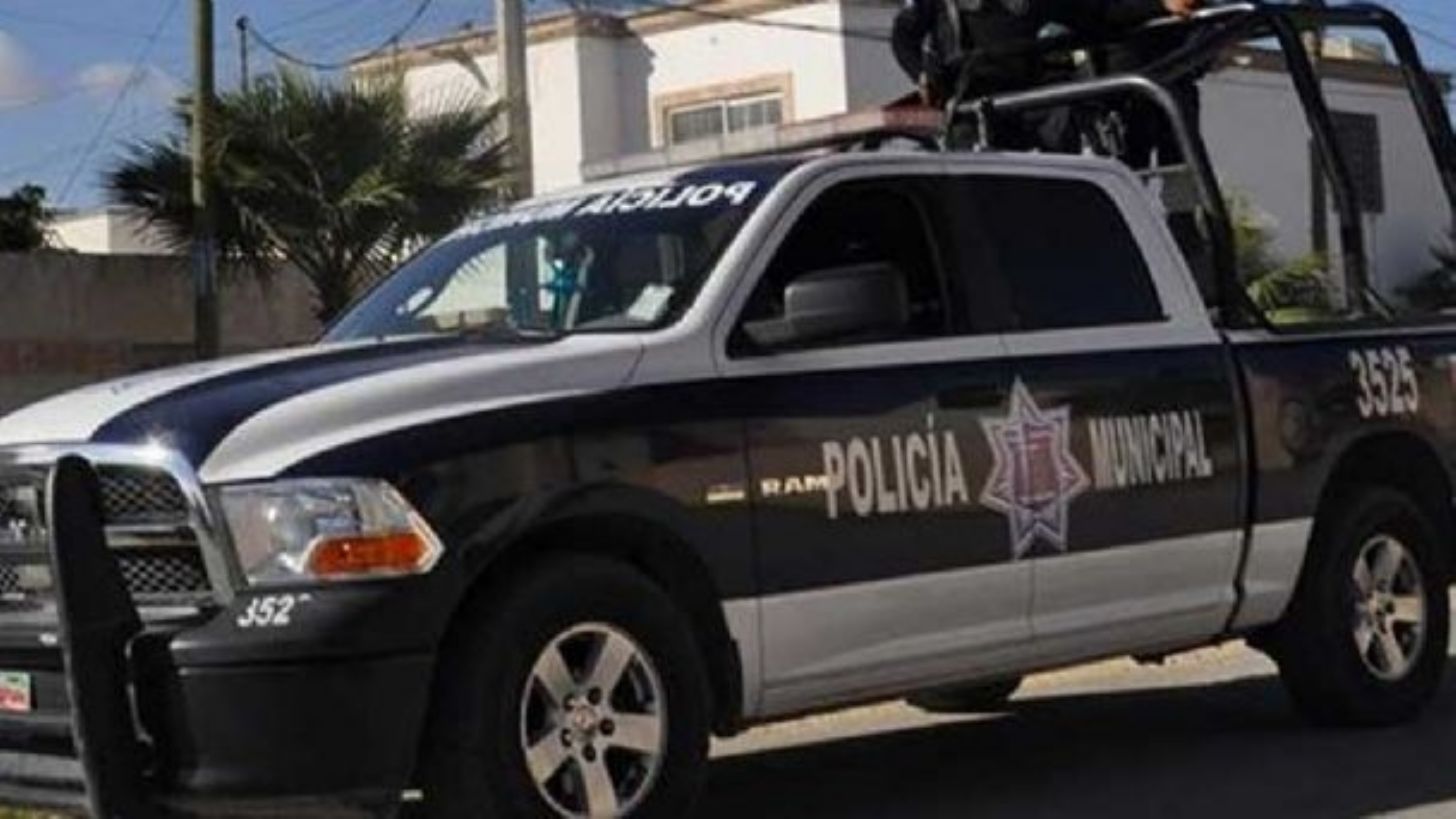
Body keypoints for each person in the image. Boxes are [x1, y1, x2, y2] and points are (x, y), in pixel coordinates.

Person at [891, 0, 1203, 107]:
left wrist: (1160, 6)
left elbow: (1098, 14)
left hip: (1036, 102)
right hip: (971, 107)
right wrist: (921, 74)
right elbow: (904, 35)